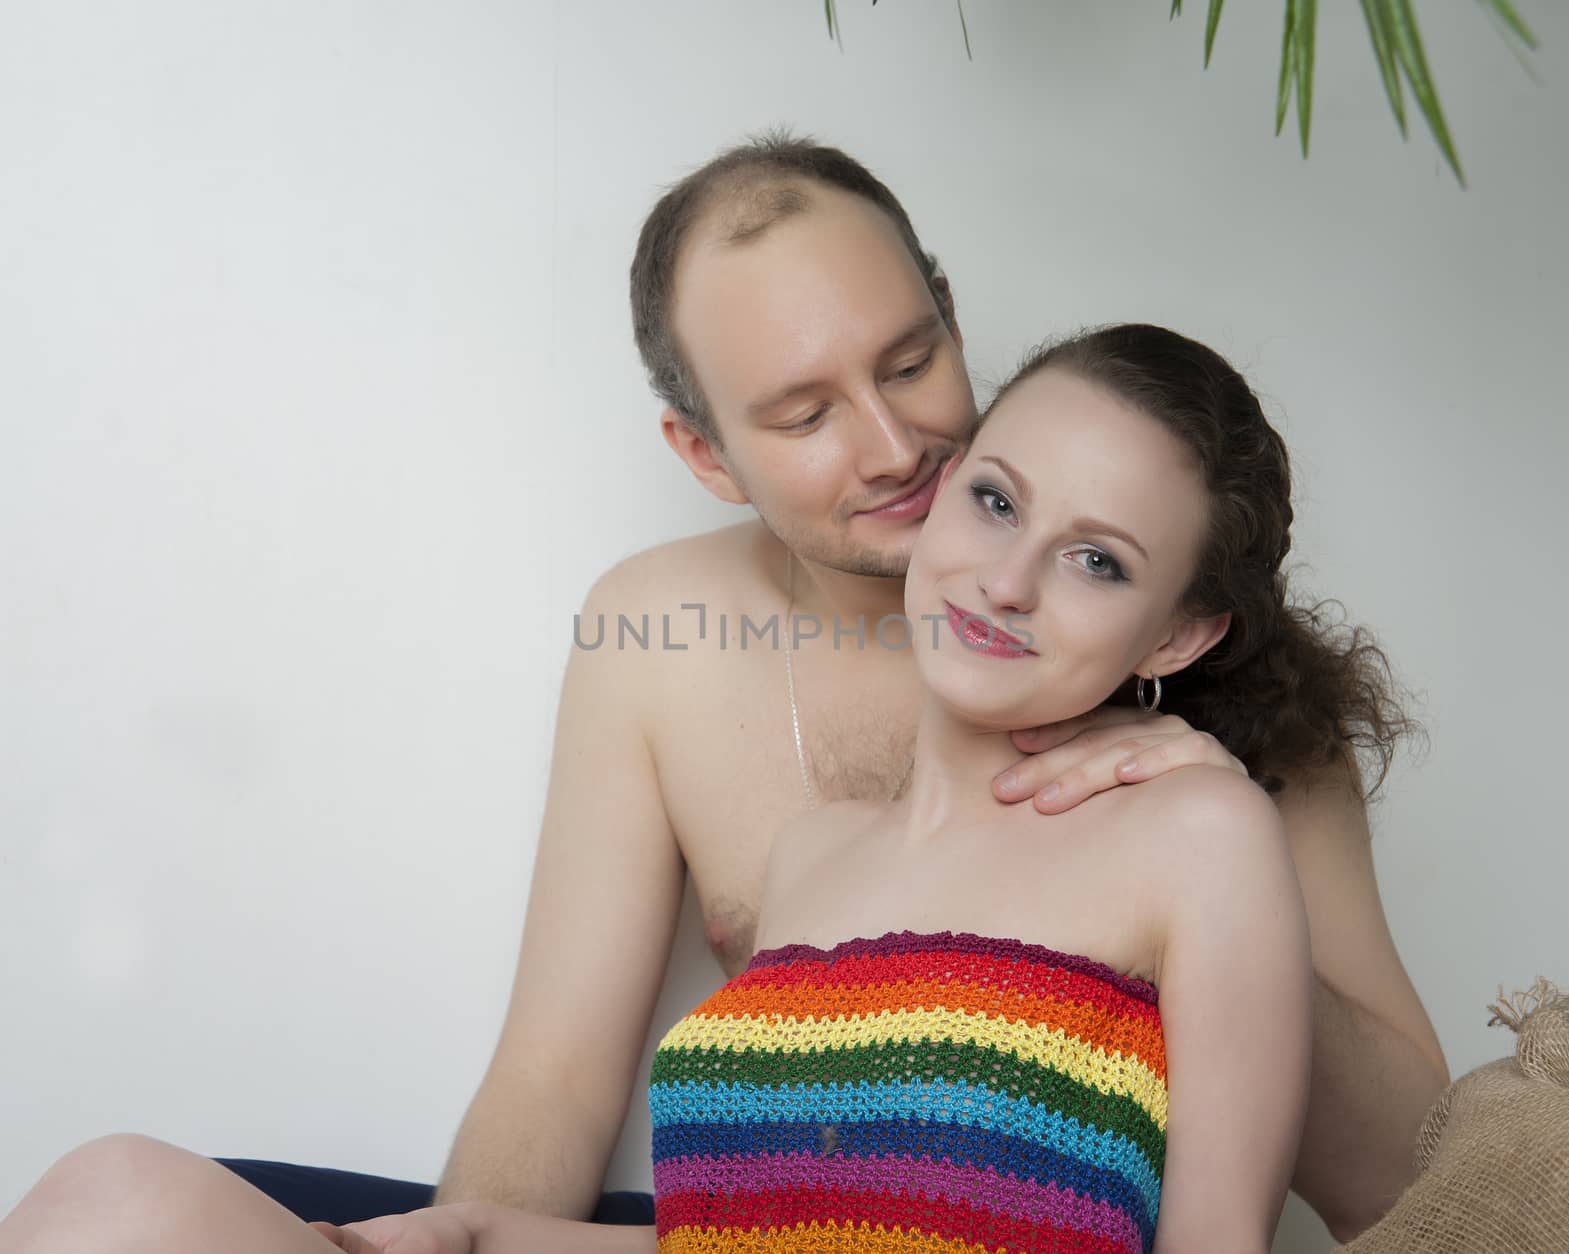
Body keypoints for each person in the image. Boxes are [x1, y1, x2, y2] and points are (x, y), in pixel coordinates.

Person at [28, 133, 1446, 1241]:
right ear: (706, 452)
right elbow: (555, 1078)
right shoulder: (657, 631)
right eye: (805, 412)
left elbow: (1400, 1190)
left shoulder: (1205, 691)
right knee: (124, 1209)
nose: (896, 446)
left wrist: (1208, 832)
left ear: (959, 318)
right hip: (743, 1226)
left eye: (912, 361)